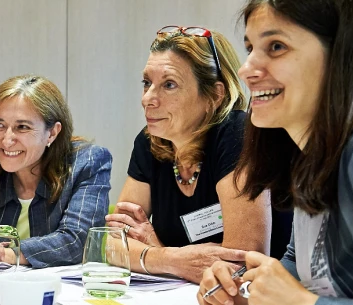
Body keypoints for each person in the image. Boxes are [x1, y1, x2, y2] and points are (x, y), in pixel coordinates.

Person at [198, 0, 353, 305]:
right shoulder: (310, 154)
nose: (248, 70)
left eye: (276, 47)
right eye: (250, 47)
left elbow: (309, 300)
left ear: (344, 54)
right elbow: (306, 267)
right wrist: (248, 289)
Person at [106, 27, 291, 283]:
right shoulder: (150, 142)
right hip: (185, 299)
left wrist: (151, 253)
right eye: (147, 83)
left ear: (214, 95)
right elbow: (114, 245)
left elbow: (241, 264)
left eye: (169, 85)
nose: (148, 98)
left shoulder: (238, 133)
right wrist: (170, 259)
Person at [0, 75, 112, 268]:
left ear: (52, 133)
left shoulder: (87, 163)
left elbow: (77, 242)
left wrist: (3, 254)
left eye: (22, 127)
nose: (7, 140)